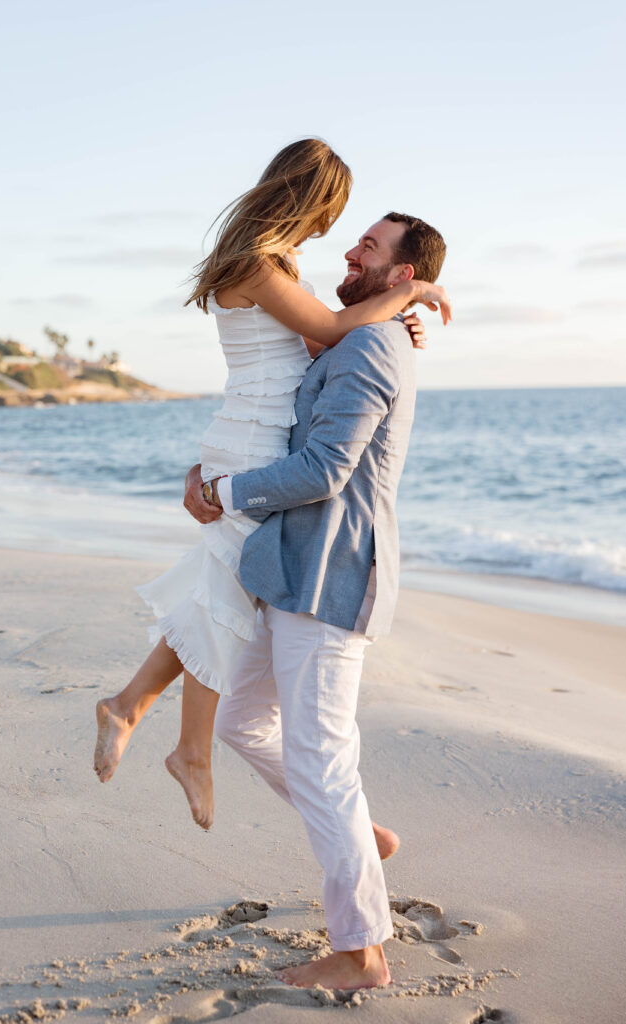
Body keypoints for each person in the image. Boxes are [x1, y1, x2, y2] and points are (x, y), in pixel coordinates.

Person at [93, 139, 450, 837]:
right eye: (332, 213)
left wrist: (389, 317)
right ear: (310, 197)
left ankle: (138, 710)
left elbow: (323, 343)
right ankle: (184, 746)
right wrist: (405, 295)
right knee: (225, 593)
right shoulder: (258, 264)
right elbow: (328, 328)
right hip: (254, 437)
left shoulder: (271, 263)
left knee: (219, 585)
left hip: (250, 431)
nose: (331, 232)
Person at [183, 211, 448, 990]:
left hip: (332, 576)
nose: (350, 250)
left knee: (321, 758)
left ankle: (362, 949)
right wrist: (209, 471)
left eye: (367, 245)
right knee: (240, 720)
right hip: (292, 570)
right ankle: (358, 835)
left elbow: (325, 469)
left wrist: (224, 492)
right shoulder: (354, 336)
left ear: (401, 274)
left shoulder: (369, 346)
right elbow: (282, 416)